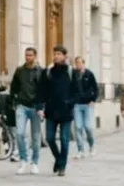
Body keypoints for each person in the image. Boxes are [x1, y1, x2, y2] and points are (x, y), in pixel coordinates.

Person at [38, 45, 78, 176]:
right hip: (51, 111)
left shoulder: (71, 71)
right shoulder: (48, 72)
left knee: (64, 140)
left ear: (65, 56)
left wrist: (69, 103)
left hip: (66, 111)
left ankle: (62, 167)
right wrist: (40, 107)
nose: (56, 56)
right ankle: (59, 159)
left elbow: (77, 92)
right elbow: (42, 91)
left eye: (59, 54)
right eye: (54, 53)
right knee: (50, 138)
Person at [9, 47, 44, 175]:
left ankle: (34, 163)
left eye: (30, 55)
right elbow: (14, 87)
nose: (27, 57)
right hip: (22, 106)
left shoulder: (40, 71)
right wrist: (14, 101)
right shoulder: (20, 70)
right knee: (19, 133)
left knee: (36, 137)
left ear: (35, 56)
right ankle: (23, 159)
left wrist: (41, 107)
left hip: (35, 107)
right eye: (26, 55)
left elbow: (43, 90)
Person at [71, 56, 100, 159]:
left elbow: (95, 88)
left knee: (88, 127)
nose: (78, 64)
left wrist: (93, 100)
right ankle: (80, 150)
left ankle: (92, 146)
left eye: (79, 62)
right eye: (76, 63)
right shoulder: (73, 74)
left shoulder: (89, 74)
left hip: (88, 104)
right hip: (77, 105)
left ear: (83, 63)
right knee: (78, 127)